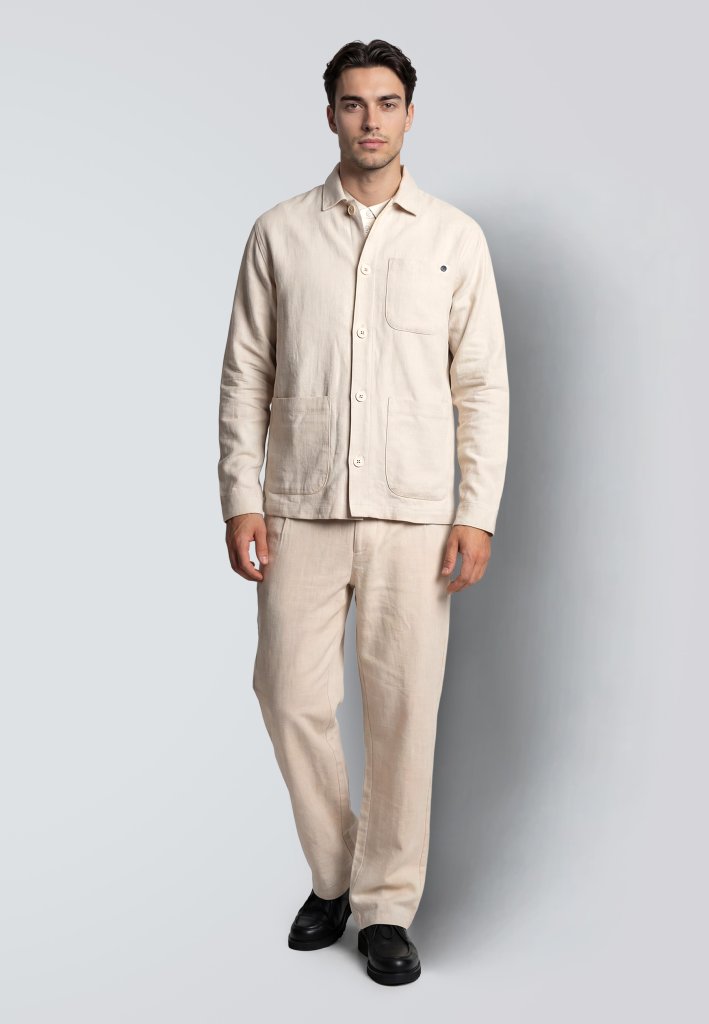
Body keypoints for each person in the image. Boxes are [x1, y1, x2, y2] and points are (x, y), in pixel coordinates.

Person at [217, 38, 509, 986]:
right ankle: (335, 872)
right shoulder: (278, 233)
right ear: (330, 115)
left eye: (386, 103)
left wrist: (476, 511)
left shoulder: (454, 238)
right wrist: (240, 496)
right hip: (299, 506)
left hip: (415, 513)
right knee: (287, 694)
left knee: (401, 713)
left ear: (409, 115)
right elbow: (245, 374)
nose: (370, 120)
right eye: (353, 103)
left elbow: (480, 384)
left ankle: (384, 908)